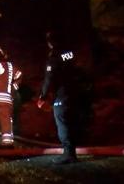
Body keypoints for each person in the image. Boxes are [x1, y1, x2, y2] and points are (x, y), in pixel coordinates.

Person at [37, 31, 81, 164]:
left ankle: (68, 154)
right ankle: (71, 151)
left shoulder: (54, 57)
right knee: (71, 122)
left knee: (62, 122)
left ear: (50, 42)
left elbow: (49, 78)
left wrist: (43, 96)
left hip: (62, 94)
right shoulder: (69, 53)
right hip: (74, 92)